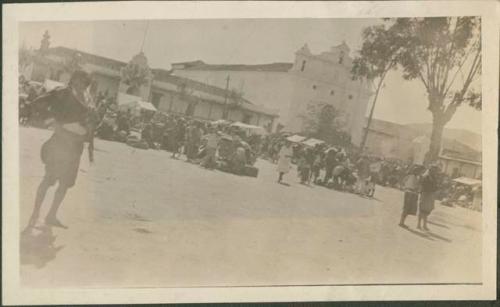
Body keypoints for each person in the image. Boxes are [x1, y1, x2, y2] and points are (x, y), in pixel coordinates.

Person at [26, 70, 93, 229]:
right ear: (74, 79)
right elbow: (37, 102)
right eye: (80, 80)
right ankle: (35, 213)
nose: (82, 84)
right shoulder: (62, 92)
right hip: (61, 144)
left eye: (85, 82)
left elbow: (86, 119)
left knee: (65, 183)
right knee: (49, 179)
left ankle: (51, 215)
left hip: (76, 147)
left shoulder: (86, 98)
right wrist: (52, 122)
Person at [418, 164, 440, 230]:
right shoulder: (426, 176)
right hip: (425, 194)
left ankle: (424, 225)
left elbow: (436, 186)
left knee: (427, 210)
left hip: (431, 194)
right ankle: (419, 224)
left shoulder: (434, 177)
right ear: (430, 170)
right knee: (422, 210)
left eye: (435, 171)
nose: (435, 172)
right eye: (434, 170)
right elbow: (423, 185)